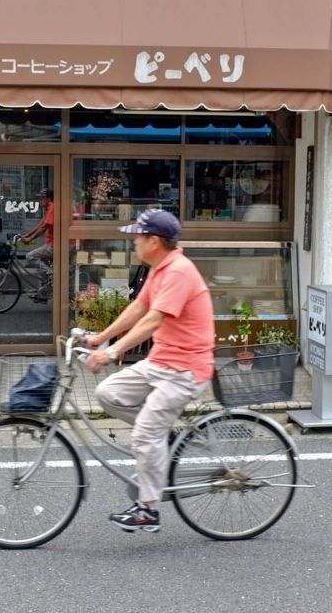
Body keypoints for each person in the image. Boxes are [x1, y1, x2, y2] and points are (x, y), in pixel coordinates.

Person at [84, 209, 215, 533]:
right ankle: (165, 435)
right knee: (108, 393)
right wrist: (101, 338)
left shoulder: (179, 271)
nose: (134, 243)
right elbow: (138, 308)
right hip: (160, 362)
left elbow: (154, 319)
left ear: (154, 241)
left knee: (144, 431)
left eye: (138, 238)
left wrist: (113, 351)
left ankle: (148, 509)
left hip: (185, 370)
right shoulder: (158, 269)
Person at [20, 188, 54, 273]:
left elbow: (44, 228)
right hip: (50, 244)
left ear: (49, 198)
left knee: (30, 256)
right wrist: (27, 235)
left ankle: (51, 272)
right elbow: (40, 225)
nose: (40, 201)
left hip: (53, 245)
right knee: (42, 261)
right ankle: (49, 275)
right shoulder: (48, 209)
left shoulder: (52, 208)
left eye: (42, 198)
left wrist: (30, 239)